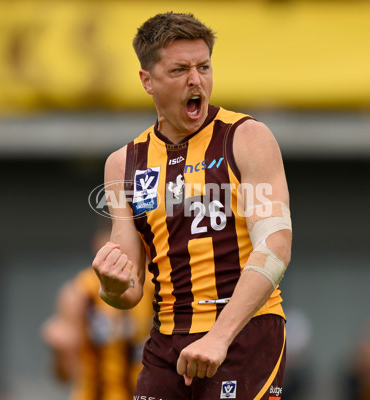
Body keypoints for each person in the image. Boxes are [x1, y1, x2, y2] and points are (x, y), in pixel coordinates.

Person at [92, 12, 292, 399]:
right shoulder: (123, 164)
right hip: (167, 340)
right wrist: (111, 285)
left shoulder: (247, 137)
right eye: (180, 69)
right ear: (147, 81)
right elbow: (129, 289)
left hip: (246, 335)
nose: (196, 80)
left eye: (203, 66)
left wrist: (218, 337)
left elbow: (276, 247)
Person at [42, 225, 154, 400]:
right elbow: (63, 375)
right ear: (98, 245)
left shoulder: (157, 287)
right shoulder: (79, 293)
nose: (120, 254)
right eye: (113, 246)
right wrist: (59, 352)